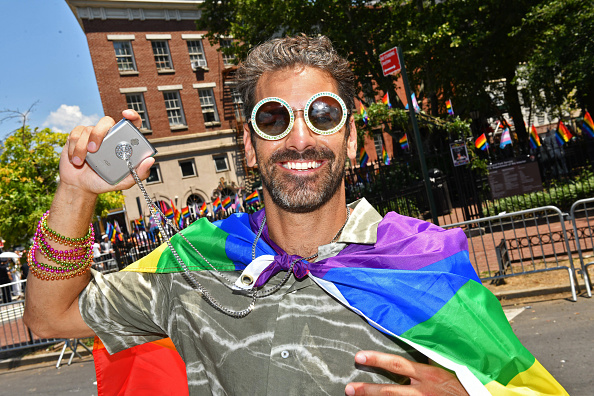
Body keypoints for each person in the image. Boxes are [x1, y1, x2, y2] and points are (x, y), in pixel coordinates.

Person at [24, 35, 566, 395]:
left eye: (323, 115)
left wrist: (467, 392)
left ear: (351, 139)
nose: (300, 137)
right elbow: (50, 316)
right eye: (274, 118)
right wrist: (76, 192)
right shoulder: (192, 262)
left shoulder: (423, 262)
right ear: (249, 145)